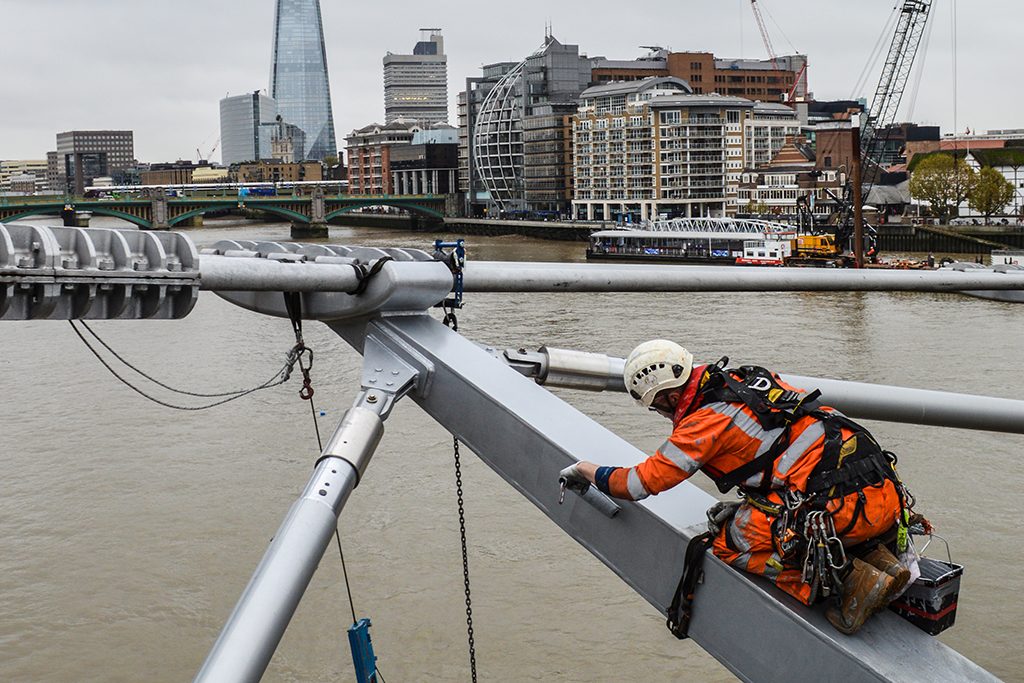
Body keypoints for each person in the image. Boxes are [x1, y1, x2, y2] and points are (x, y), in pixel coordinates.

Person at [560, 340, 920, 634]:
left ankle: (846, 580)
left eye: (657, 407)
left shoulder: (703, 423)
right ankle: (877, 560)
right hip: (882, 496)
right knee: (776, 507)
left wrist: (586, 469)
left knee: (729, 543)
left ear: (668, 396)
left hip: (842, 511)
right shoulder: (746, 378)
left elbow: (639, 483)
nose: (663, 415)